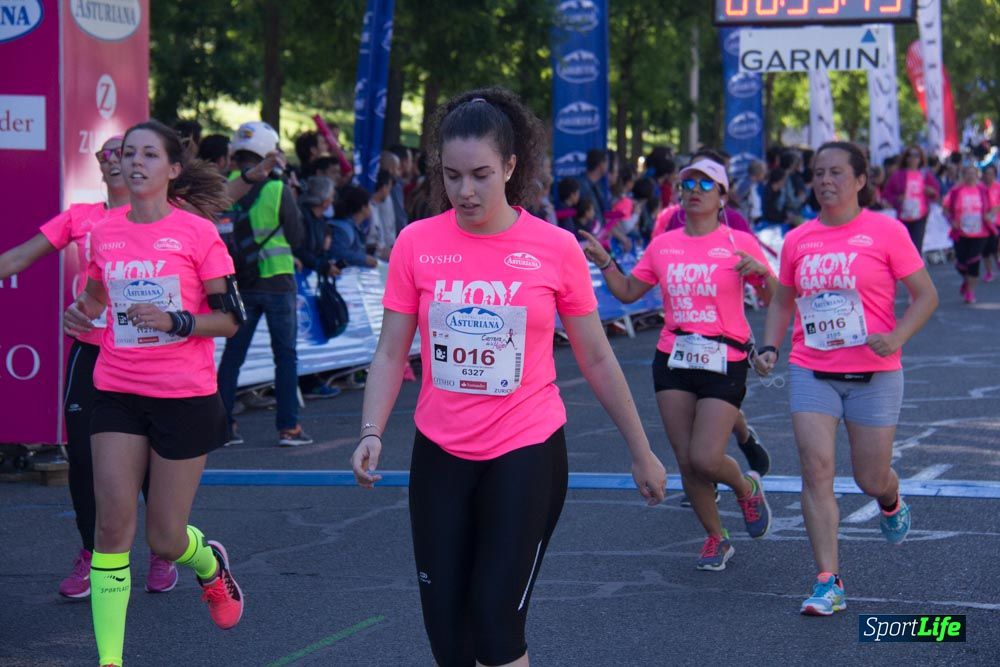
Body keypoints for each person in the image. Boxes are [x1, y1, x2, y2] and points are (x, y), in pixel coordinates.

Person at [350, 87, 666, 667]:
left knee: (496, 628)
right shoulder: (416, 244)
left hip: (525, 450)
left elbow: (596, 357)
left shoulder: (555, 248)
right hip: (441, 453)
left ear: (512, 166)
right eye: (451, 176)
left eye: (480, 174)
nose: (465, 191)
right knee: (449, 639)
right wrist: (371, 430)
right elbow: (393, 351)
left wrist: (641, 450)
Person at [62, 120, 247, 666]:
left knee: (165, 539)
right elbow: (96, 295)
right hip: (117, 389)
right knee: (112, 525)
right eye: (126, 153)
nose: (133, 161)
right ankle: (111, 660)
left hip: (183, 395)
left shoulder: (197, 234)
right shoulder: (107, 231)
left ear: (171, 170)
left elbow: (230, 319)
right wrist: (83, 312)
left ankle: (209, 563)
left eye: (147, 154)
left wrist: (175, 320)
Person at [757, 141, 938, 616]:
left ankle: (891, 498)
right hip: (812, 368)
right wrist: (771, 345)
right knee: (816, 469)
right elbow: (782, 299)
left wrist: (896, 336)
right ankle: (827, 581)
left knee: (869, 476)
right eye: (818, 173)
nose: (825, 181)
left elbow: (925, 296)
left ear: (860, 180)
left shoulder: (886, 231)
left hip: (875, 373)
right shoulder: (799, 239)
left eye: (836, 172)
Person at [0, 136, 180, 597]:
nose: (120, 161)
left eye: (130, 154)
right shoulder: (81, 217)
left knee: (153, 460)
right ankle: (92, 553)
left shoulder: (164, 217)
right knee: (82, 457)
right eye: (110, 155)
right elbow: (20, 257)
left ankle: (163, 549)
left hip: (146, 354)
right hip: (92, 352)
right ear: (101, 167)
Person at [580, 159, 775, 570]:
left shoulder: (738, 242)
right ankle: (716, 537)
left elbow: (776, 298)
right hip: (674, 357)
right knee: (686, 459)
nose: (695, 189)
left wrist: (761, 274)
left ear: (722, 196)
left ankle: (745, 487)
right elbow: (630, 291)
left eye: (706, 184)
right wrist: (604, 261)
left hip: (726, 357)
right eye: (688, 183)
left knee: (706, 457)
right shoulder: (663, 245)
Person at [216, 121, 311, 447]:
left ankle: (223, 426)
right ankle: (289, 428)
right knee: (285, 356)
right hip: (278, 282)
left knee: (233, 356)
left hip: (239, 284)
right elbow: (298, 238)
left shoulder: (223, 189)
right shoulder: (276, 189)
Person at [942, 165, 992, 303]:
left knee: (974, 261)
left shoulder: (983, 190)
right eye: (968, 173)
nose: (971, 176)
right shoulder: (956, 191)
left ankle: (970, 292)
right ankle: (966, 281)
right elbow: (945, 208)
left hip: (980, 233)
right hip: (961, 232)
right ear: (963, 175)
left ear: (977, 175)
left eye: (973, 173)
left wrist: (990, 215)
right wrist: (951, 221)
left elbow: (993, 207)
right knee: (961, 264)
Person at [881, 145, 940, 255]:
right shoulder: (898, 175)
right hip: (903, 217)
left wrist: (931, 192)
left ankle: (916, 271)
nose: (913, 158)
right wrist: (897, 199)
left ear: (920, 158)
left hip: (920, 216)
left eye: (916, 155)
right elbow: (887, 194)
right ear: (906, 158)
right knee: (904, 247)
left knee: (916, 248)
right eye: (910, 155)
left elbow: (936, 192)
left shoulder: (925, 175)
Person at [367, 169, 398, 260]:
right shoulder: (368, 209)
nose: (389, 192)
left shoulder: (375, 206)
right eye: (389, 187)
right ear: (384, 187)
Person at [980, 164, 1000, 282]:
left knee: (996, 246)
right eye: (986, 174)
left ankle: (998, 260)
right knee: (986, 250)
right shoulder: (980, 188)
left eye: (991, 174)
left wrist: (993, 211)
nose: (989, 176)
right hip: (983, 223)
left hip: (997, 222)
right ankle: (989, 272)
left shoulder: (998, 187)